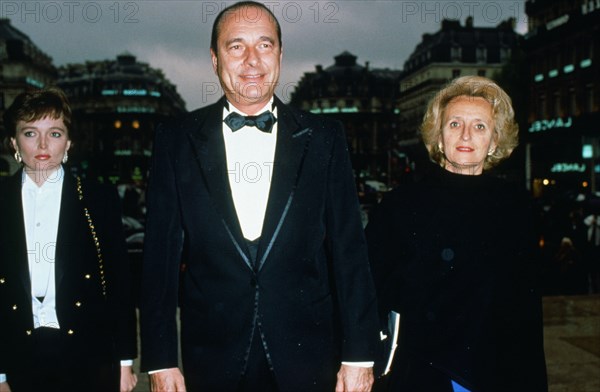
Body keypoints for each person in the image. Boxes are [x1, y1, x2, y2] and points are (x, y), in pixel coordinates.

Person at [140, 2, 380, 391]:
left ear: (280, 55)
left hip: (309, 357)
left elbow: (349, 251)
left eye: (264, 45)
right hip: (211, 358)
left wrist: (359, 355)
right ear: (215, 59)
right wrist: (160, 361)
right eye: (236, 47)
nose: (252, 60)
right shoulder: (176, 139)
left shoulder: (324, 137)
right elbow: (159, 260)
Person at [366, 76, 548, 391]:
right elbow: (368, 293)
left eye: (480, 126)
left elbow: (526, 316)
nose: (466, 134)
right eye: (454, 124)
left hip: (496, 373)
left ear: (494, 141)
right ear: (438, 137)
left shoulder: (516, 207)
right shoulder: (400, 205)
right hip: (420, 372)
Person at [0, 87, 138, 392]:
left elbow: (119, 282)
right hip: (19, 352)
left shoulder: (97, 198)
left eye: (55, 133)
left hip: (88, 352)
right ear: (14, 143)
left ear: (69, 142)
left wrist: (125, 361)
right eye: (31, 133)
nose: (43, 145)